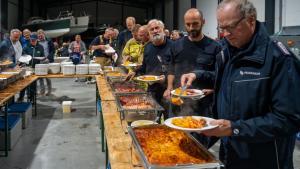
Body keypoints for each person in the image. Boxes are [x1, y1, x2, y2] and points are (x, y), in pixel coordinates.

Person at [181, 0, 300, 168]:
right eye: (222, 28)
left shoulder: (279, 59)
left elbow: (289, 119)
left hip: (265, 160)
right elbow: (228, 80)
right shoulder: (227, 51)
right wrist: (197, 75)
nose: (225, 34)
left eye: (231, 27)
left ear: (250, 20)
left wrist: (235, 128)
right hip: (230, 153)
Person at [163, 8, 221, 118]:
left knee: (200, 133)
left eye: (195, 24)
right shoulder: (176, 45)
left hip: (203, 103)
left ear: (203, 22)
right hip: (178, 100)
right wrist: (169, 87)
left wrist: (214, 90)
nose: (191, 28)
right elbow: (171, 68)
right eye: (188, 24)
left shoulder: (215, 47)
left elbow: (220, 74)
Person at [127, 19, 173, 119]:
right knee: (151, 119)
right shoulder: (148, 47)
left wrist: (165, 79)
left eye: (157, 28)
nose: (155, 31)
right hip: (152, 89)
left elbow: (177, 69)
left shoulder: (173, 46)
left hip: (168, 91)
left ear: (162, 29)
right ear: (149, 32)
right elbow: (144, 66)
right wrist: (135, 72)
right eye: (152, 29)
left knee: (169, 120)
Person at [19, 33, 45, 101]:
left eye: (34, 40)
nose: (32, 41)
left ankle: (32, 99)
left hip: (35, 68)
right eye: (31, 40)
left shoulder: (40, 47)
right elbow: (22, 57)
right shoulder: (26, 47)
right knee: (24, 84)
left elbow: (43, 56)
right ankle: (21, 98)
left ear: (37, 40)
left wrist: (43, 60)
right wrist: (25, 60)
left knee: (33, 84)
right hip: (27, 68)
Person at [37, 29, 55, 96]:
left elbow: (53, 50)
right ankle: (42, 91)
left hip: (47, 61)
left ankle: (49, 91)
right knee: (40, 77)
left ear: (43, 34)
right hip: (40, 61)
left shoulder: (49, 40)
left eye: (41, 35)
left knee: (48, 77)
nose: (40, 36)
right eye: (39, 35)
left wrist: (49, 58)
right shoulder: (37, 42)